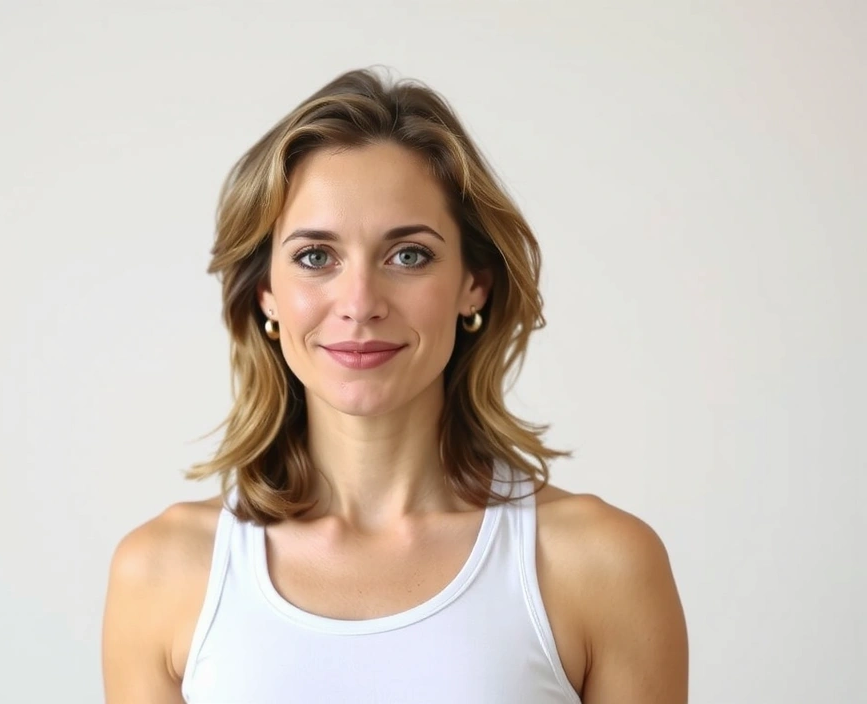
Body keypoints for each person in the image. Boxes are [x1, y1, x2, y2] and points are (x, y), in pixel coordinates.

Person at [101, 67, 688, 703]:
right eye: (315, 257)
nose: (360, 303)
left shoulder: (600, 565)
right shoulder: (160, 572)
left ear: (474, 285)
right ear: (266, 292)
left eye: (408, 255)